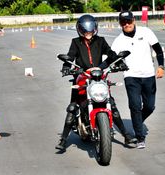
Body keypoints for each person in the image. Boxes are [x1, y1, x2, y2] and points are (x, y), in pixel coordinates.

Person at [55, 14, 135, 152]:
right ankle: (63, 139)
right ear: (80, 30)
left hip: (98, 77)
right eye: (85, 30)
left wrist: (119, 62)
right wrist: (67, 68)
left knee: (112, 105)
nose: (88, 33)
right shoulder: (75, 42)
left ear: (95, 29)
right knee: (73, 108)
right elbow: (71, 56)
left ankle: (126, 135)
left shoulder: (100, 41)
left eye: (91, 30)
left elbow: (110, 53)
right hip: (82, 76)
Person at [111, 10, 164, 149]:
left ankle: (137, 122)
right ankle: (140, 136)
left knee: (149, 106)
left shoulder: (146, 32)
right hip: (131, 77)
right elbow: (110, 58)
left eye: (129, 21)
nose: (127, 24)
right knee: (135, 106)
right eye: (123, 22)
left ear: (134, 20)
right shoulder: (118, 41)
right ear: (120, 24)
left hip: (148, 75)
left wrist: (161, 67)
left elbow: (158, 50)